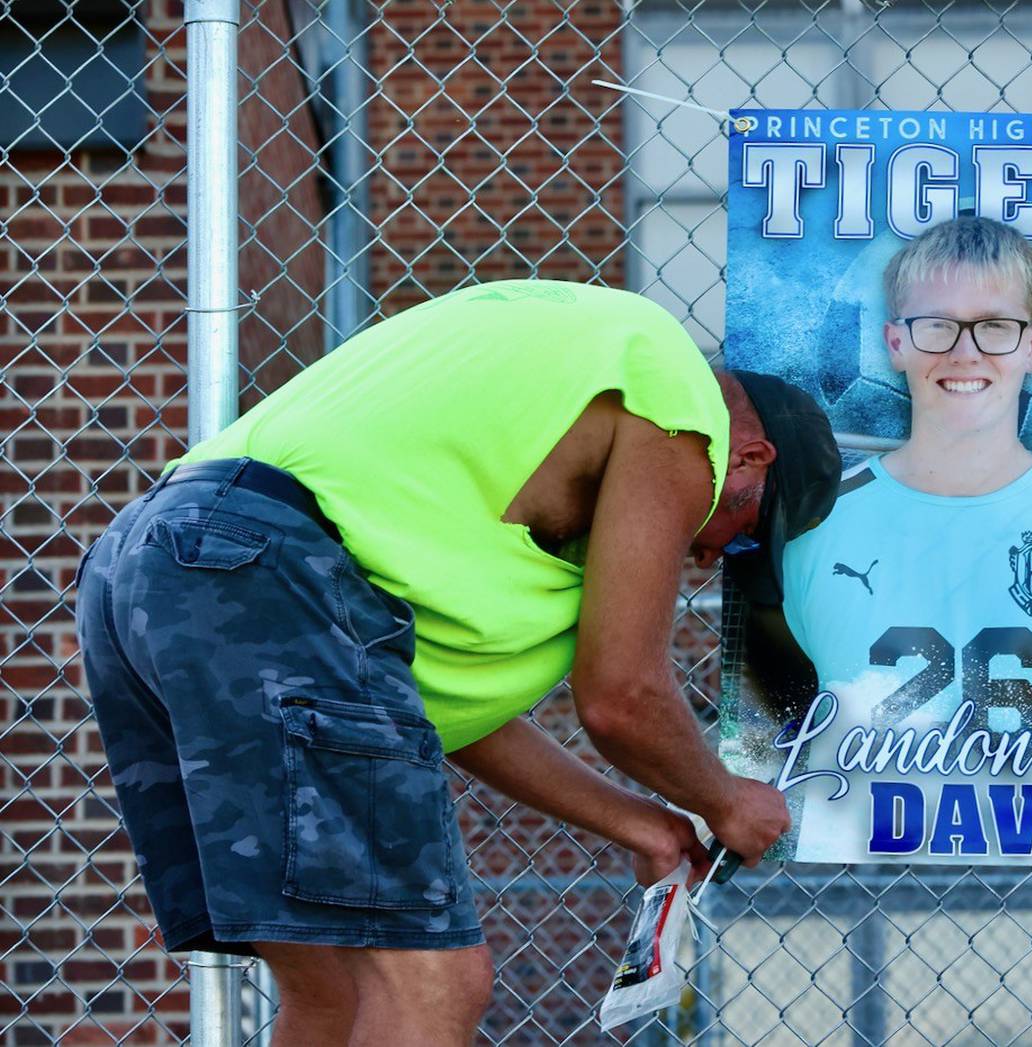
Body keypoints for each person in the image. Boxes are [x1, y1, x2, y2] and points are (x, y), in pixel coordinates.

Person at [74, 280, 840, 1045]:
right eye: (742, 533)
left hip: (149, 571)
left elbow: (424, 716)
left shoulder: (524, 434)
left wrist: (642, 822)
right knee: (433, 979)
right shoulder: (680, 407)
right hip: (267, 571)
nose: (709, 557)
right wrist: (726, 798)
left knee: (334, 986)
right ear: (750, 454)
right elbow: (622, 694)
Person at [767, 216, 1032, 864]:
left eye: (994, 325)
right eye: (937, 325)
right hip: (850, 890)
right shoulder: (811, 529)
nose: (965, 351)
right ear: (894, 341)